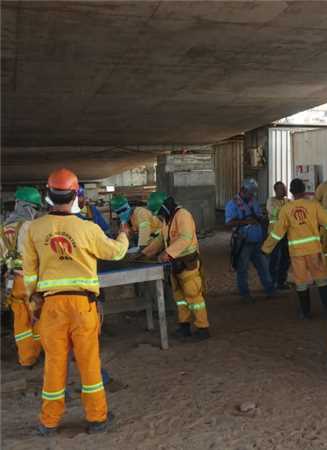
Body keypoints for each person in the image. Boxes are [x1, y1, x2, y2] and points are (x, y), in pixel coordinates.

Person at [22, 168, 129, 435]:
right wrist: (124, 234)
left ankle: (48, 422)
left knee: (54, 364)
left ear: (48, 195)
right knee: (88, 363)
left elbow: (30, 273)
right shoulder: (88, 229)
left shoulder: (34, 229)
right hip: (83, 307)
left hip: (50, 308)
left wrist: (33, 305)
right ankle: (97, 418)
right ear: (75, 196)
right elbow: (115, 253)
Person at [262, 178, 327, 319]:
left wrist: (265, 249)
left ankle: (305, 312)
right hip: (313, 250)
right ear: (304, 190)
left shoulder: (286, 209)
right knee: (322, 280)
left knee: (301, 282)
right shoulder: (313, 205)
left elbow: (277, 233)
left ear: (290, 191)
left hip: (297, 252)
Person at [142, 192, 210, 340]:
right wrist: (145, 253)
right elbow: (161, 238)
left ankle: (203, 328)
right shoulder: (168, 219)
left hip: (187, 264)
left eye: (159, 212)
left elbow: (185, 238)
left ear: (164, 207)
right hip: (176, 265)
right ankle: (184, 326)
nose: (158, 216)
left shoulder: (183, 215)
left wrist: (167, 253)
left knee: (194, 297)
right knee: (179, 298)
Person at [1, 186, 43, 367]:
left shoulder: (2, 229)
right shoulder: (31, 227)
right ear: (30, 207)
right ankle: (44, 350)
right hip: (31, 281)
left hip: (12, 282)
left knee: (21, 322)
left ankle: (27, 358)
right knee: (39, 317)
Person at [225, 179, 275, 303]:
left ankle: (270, 290)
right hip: (243, 242)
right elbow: (229, 223)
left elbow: (258, 216)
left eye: (253, 193)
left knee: (263, 266)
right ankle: (245, 294)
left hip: (257, 240)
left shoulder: (253, 201)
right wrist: (246, 222)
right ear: (243, 190)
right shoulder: (232, 204)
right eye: (250, 192)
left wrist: (261, 219)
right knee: (242, 268)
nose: (252, 195)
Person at [266, 181, 290, 290]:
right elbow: (277, 213)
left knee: (286, 259)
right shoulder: (271, 201)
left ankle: (281, 282)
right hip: (275, 235)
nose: (284, 190)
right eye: (281, 188)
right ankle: (271, 282)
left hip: (287, 235)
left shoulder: (288, 201)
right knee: (274, 259)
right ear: (275, 190)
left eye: (284, 188)